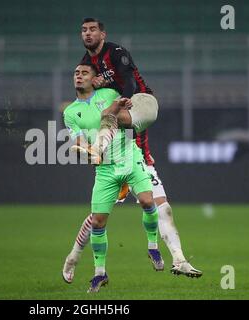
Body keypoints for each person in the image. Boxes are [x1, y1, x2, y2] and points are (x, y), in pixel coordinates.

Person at [62, 18, 202, 283]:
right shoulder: (86, 83)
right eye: (84, 30)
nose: (88, 34)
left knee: (162, 207)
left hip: (137, 120)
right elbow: (84, 126)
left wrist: (122, 103)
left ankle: (180, 260)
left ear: (102, 33)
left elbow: (128, 83)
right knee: (96, 219)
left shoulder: (115, 54)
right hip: (113, 156)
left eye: (93, 29)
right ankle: (73, 256)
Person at [63, 63, 163, 293]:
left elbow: (129, 117)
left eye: (84, 72)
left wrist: (122, 105)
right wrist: (87, 151)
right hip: (105, 170)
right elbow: (78, 141)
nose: (79, 76)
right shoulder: (70, 112)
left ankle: (153, 246)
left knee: (148, 201)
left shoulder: (109, 94)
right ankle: (100, 273)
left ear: (94, 78)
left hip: (129, 156)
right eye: (76, 73)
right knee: (98, 222)